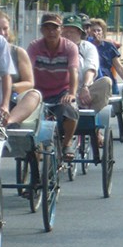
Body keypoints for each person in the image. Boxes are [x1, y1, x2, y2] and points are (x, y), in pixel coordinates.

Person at [27, 13, 80, 161]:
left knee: (71, 110)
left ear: (61, 29)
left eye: (54, 28)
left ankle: (67, 142)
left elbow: (73, 71)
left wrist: (72, 93)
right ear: (41, 30)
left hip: (61, 92)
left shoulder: (70, 47)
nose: (51, 32)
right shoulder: (34, 47)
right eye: (47, 28)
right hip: (38, 92)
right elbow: (27, 70)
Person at [0, 11, 42, 128]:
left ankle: (7, 124)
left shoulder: (18, 52)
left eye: (5, 29)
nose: (2, 33)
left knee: (34, 95)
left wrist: (9, 87)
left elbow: (29, 83)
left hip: (13, 99)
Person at [61, 14, 112, 113]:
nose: (68, 34)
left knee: (106, 82)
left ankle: (91, 120)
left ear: (80, 32)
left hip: (83, 91)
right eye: (65, 31)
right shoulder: (58, 46)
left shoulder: (88, 47)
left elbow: (91, 69)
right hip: (62, 92)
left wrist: (85, 86)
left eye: (71, 31)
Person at [89, 18, 123, 97]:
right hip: (91, 82)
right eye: (93, 31)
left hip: (107, 82)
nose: (96, 33)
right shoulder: (85, 46)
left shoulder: (109, 46)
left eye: (98, 30)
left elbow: (119, 67)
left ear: (103, 32)